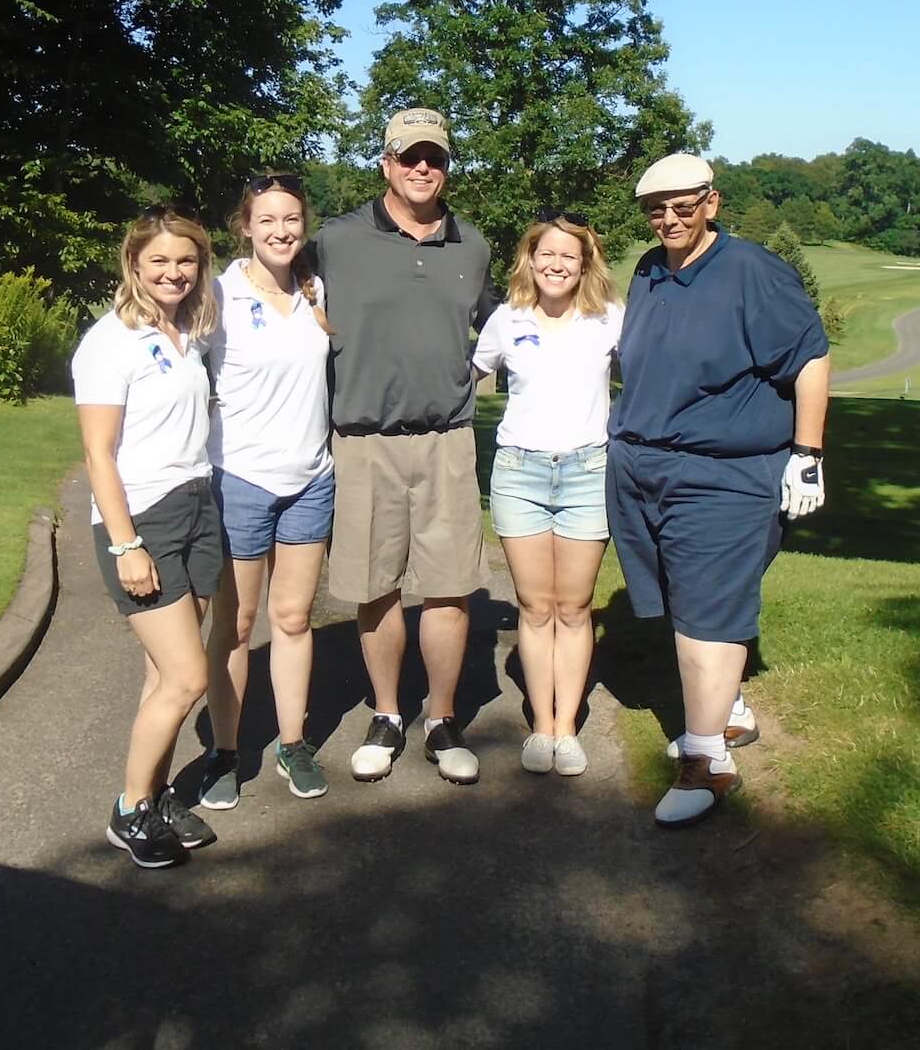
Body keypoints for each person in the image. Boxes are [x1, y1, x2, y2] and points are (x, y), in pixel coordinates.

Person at [608, 153, 829, 829]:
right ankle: (726, 711)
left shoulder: (753, 271)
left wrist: (808, 455)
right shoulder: (649, 269)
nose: (670, 219)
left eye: (683, 206)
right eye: (656, 209)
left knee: (707, 613)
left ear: (711, 202)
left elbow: (810, 358)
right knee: (682, 600)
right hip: (644, 466)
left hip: (722, 473)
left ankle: (707, 761)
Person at [312, 108, 497, 785]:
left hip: (446, 440)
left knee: (449, 590)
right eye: (410, 156)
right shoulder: (335, 241)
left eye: (435, 158)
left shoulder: (472, 246)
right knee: (375, 587)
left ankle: (442, 719)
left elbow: (510, 324)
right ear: (386, 163)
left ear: (447, 167)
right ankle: (388, 714)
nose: (423, 167)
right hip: (364, 441)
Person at [72, 207, 224, 868]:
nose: (173, 272)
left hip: (196, 506)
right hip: (144, 521)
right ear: (133, 263)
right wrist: (125, 545)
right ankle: (130, 810)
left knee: (163, 674)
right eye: (159, 260)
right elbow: (98, 454)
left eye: (185, 260)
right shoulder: (110, 341)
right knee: (188, 676)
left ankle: (156, 795)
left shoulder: (186, 331)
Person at [198, 173, 335, 806]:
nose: (281, 231)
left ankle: (292, 743)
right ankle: (224, 752)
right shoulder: (217, 295)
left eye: (292, 220)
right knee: (237, 623)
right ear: (246, 227)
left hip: (310, 480)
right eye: (268, 220)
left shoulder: (315, 290)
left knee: (293, 619)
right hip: (241, 481)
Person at [471, 211, 622, 777]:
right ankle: (541, 725)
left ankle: (567, 728)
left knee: (574, 607)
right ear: (530, 259)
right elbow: (465, 376)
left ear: (585, 264)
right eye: (547, 254)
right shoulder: (507, 319)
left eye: (568, 256)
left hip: (588, 473)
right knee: (535, 609)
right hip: (520, 474)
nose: (557, 264)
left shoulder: (609, 317)